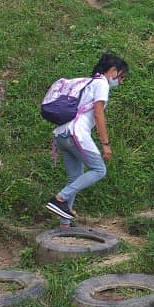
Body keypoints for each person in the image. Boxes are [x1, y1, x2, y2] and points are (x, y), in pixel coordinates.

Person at [45, 53, 129, 228]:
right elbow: (98, 113)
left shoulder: (87, 82)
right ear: (113, 70)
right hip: (76, 134)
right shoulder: (101, 84)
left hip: (61, 134)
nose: (121, 82)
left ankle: (64, 224)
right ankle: (59, 198)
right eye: (121, 77)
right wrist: (105, 144)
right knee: (99, 170)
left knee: (74, 177)